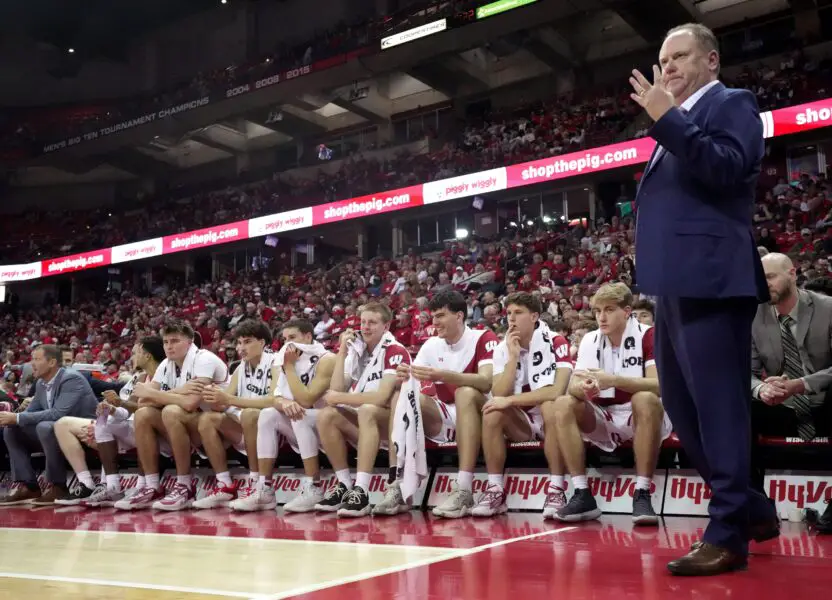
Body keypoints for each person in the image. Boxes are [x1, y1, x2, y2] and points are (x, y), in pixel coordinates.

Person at [630, 23, 779, 574]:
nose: (666, 66)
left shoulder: (733, 103)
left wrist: (667, 116)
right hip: (671, 284)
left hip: (713, 279)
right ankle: (754, 509)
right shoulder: (677, 120)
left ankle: (727, 536)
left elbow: (723, 167)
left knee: (718, 410)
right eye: (662, 58)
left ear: (711, 60)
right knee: (684, 410)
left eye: (679, 56)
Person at [551, 283, 672, 524]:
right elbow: (574, 385)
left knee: (645, 398)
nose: (601, 317)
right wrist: (584, 388)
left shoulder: (649, 334)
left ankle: (642, 492)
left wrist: (613, 381)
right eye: (597, 311)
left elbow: (659, 386)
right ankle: (582, 492)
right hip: (603, 413)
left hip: (640, 413)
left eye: (608, 310)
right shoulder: (590, 339)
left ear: (626, 311)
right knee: (564, 403)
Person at [394, 290, 499, 519]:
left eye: (440, 316)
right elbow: (415, 377)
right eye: (433, 317)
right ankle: (400, 483)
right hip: (446, 416)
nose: (434, 322)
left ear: (459, 316)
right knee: (404, 396)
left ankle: (463, 488)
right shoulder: (431, 344)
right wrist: (405, 374)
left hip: (482, 414)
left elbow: (486, 381)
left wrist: (444, 375)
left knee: (465, 392)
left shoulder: (483, 337)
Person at [751, 253, 832, 533]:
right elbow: (745, 372)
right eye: (760, 280)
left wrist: (801, 384)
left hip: (824, 400)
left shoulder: (828, 308)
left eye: (770, 277)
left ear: (792, 274)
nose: (765, 285)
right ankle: (757, 508)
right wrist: (762, 388)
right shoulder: (754, 314)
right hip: (780, 404)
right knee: (737, 406)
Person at [473, 292, 573, 518]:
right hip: (523, 422)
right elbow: (498, 393)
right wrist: (513, 357)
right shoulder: (502, 348)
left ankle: (557, 488)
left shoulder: (556, 341)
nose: (511, 319)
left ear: (535, 316)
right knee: (492, 411)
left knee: (550, 404)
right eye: (508, 313)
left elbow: (556, 390)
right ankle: (495, 489)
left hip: (556, 420)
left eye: (518, 313)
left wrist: (509, 400)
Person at [115, 321, 229, 511]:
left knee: (171, 411)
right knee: (143, 415)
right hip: (192, 425)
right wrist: (180, 390)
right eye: (166, 342)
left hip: (219, 424)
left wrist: (158, 395)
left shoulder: (204, 359)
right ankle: (152, 486)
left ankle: (184, 485)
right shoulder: (166, 364)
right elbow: (142, 403)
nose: (169, 346)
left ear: (190, 342)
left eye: (175, 341)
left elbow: (190, 403)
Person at [315, 302, 411, 517]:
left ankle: (362, 490)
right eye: (363, 322)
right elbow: (336, 389)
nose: (365, 327)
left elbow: (382, 397)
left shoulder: (394, 350)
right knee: (326, 415)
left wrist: (340, 397)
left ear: (386, 326)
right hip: (368, 425)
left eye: (372, 323)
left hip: (394, 426)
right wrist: (341, 351)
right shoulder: (358, 352)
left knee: (368, 409)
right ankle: (344, 486)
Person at [230, 319, 335, 513]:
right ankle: (264, 489)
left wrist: (289, 368)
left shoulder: (326, 358)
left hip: (331, 428)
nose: (288, 344)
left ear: (308, 337)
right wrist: (284, 402)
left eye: (293, 338)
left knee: (299, 414)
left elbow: (306, 400)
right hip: (303, 426)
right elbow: (276, 399)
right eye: (285, 339)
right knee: (268, 414)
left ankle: (314, 487)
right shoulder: (286, 359)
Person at [51, 337, 165, 506]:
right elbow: (126, 410)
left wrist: (119, 404)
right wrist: (111, 409)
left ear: (147, 356)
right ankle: (111, 487)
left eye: (134, 353)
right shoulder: (139, 377)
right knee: (104, 420)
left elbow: (142, 409)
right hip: (134, 427)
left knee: (140, 421)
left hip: (160, 431)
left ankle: (144, 486)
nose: (131, 357)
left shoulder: (164, 375)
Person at [194, 320, 277, 509]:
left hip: (272, 428)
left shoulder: (275, 362)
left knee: (250, 414)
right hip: (246, 428)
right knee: (207, 419)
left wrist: (228, 400)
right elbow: (223, 401)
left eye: (247, 342)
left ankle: (258, 484)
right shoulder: (240, 368)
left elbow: (273, 400)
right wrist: (208, 394)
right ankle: (225, 485)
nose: (241, 348)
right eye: (239, 343)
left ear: (263, 343)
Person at [0, 345, 98, 505]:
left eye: (37, 359)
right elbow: (29, 413)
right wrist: (9, 418)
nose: (32, 363)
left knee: (44, 426)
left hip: (85, 432)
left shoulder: (71, 379)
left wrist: (16, 417)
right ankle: (29, 486)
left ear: (52, 362)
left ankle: (59, 486)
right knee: (11, 430)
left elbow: (58, 413)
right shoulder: (41, 383)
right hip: (56, 434)